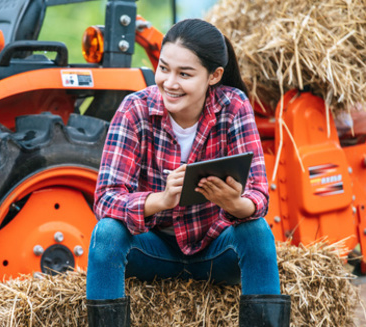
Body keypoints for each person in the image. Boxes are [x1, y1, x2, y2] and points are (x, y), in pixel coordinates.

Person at [85, 18, 291, 327]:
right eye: (164, 68)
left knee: (257, 230)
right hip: (151, 251)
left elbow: (259, 194)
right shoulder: (134, 110)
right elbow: (105, 199)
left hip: (216, 251)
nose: (169, 82)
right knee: (106, 234)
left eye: (185, 74)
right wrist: (161, 199)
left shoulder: (233, 106)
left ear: (214, 76)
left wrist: (235, 205)